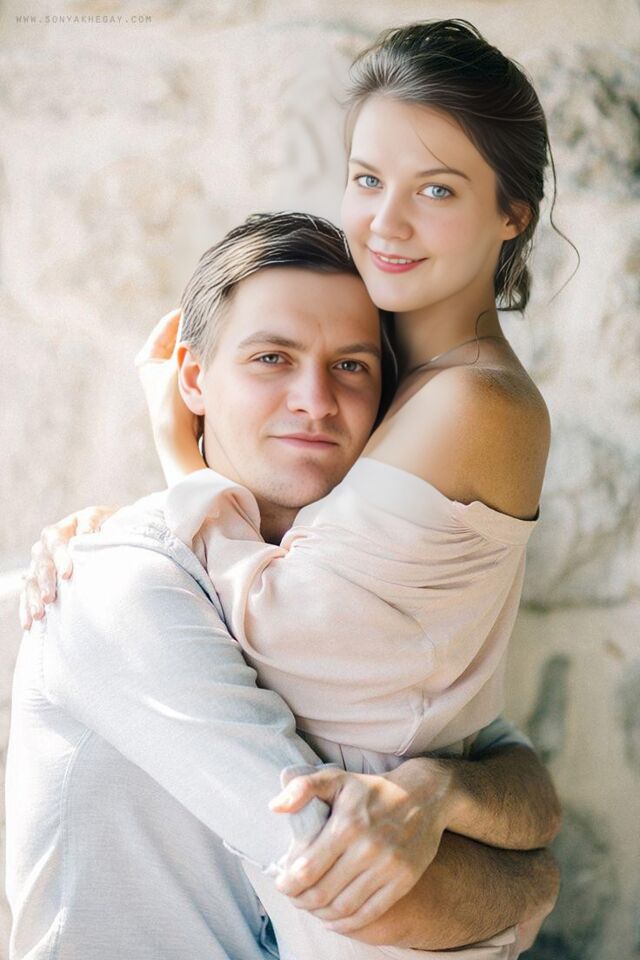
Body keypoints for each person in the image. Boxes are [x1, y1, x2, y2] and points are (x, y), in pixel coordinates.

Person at [13, 16, 562, 958]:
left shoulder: (465, 400)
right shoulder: (127, 584)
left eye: (436, 188)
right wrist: (531, 875)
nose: (386, 223)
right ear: (195, 376)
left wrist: (180, 464)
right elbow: (348, 859)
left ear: (513, 212)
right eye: (367, 179)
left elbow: (476, 736)